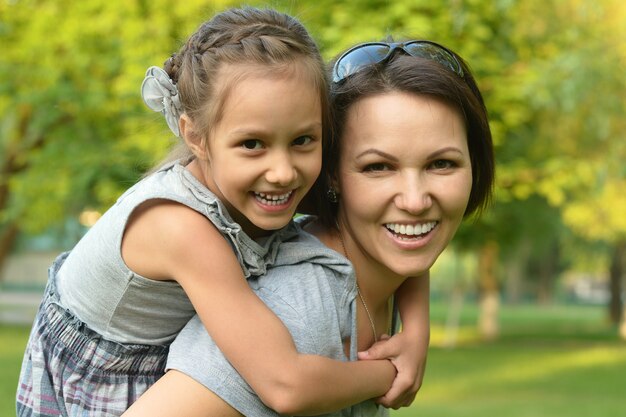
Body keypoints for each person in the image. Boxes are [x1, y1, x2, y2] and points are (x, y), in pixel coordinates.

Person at [16, 8, 430, 417]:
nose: (283, 170)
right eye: (252, 143)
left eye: (304, 138)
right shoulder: (180, 227)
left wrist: (416, 331)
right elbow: (285, 384)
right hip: (104, 386)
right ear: (196, 137)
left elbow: (401, 230)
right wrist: (392, 373)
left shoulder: (266, 183)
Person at [123, 38, 494, 417]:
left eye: (442, 164)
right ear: (331, 174)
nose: (415, 201)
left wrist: (417, 332)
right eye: (378, 167)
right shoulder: (301, 304)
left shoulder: (382, 273)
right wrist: (389, 372)